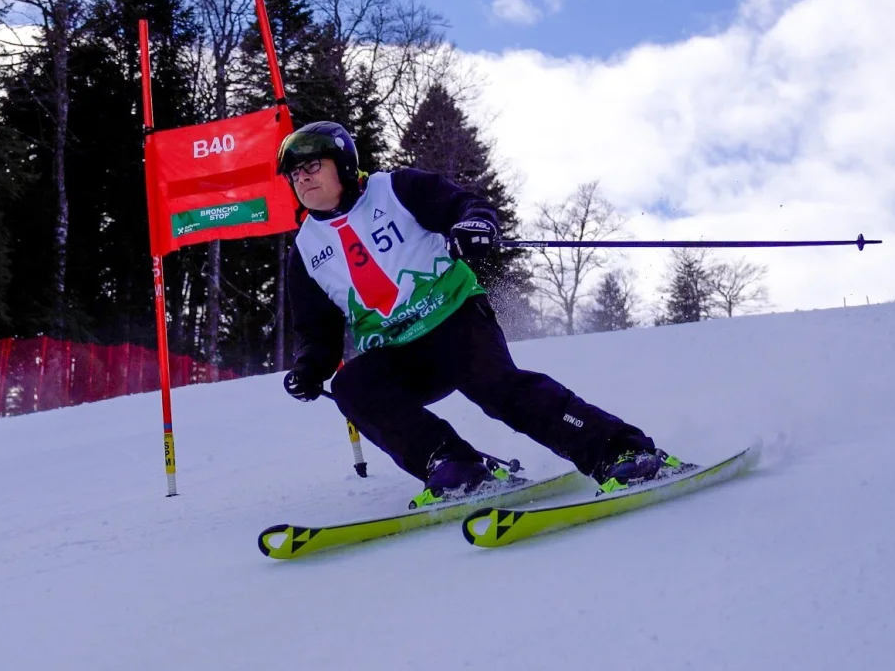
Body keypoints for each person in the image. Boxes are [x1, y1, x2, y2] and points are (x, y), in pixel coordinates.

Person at [277, 121, 683, 505]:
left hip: (454, 318)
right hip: (397, 351)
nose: (303, 178)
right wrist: (310, 368)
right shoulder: (307, 250)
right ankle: (454, 465)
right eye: (294, 174)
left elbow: (463, 205)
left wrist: (476, 225)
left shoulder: (394, 189)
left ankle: (622, 452)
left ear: (344, 164)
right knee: (352, 387)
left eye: (312, 166)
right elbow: (317, 329)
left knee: (495, 386)